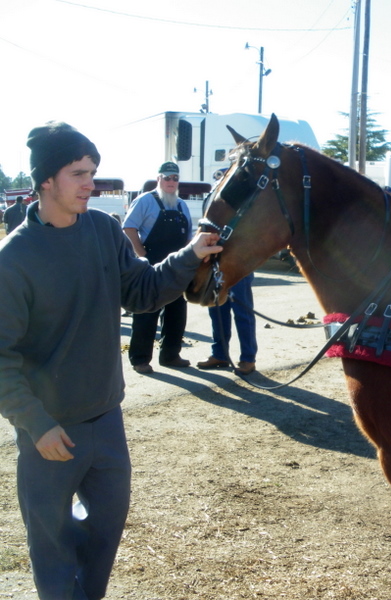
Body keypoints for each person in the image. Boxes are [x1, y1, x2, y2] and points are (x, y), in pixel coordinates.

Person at [0, 121, 221, 600]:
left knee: (103, 535)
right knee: (52, 553)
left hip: (106, 421)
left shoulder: (102, 229)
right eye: (79, 173)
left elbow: (142, 291)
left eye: (93, 172)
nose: (90, 184)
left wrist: (190, 256)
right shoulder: (14, 259)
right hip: (49, 435)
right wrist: (36, 424)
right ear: (45, 181)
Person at [122, 162, 194, 374]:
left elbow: (188, 237)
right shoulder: (145, 200)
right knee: (146, 313)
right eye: (167, 177)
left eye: (175, 178)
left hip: (177, 269)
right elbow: (128, 228)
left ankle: (171, 355)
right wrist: (142, 256)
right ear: (159, 179)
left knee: (176, 313)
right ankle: (140, 359)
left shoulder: (181, 205)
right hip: (150, 266)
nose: (171, 182)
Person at [196, 273, 258, 375]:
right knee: (217, 311)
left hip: (239, 269)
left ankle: (248, 359)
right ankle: (219, 355)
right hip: (216, 270)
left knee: (243, 314)